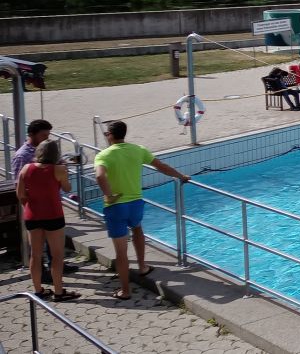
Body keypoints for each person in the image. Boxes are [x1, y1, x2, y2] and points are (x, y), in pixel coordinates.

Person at [94, 120, 191, 300]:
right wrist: (181, 176)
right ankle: (142, 266)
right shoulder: (138, 150)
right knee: (137, 229)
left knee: (121, 252)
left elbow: (100, 176)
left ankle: (125, 291)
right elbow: (161, 166)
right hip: (135, 203)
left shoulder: (104, 155)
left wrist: (108, 195)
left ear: (110, 135)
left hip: (116, 207)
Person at [12, 119, 78, 281]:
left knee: (53, 244)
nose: (47, 138)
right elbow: (18, 186)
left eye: (48, 135)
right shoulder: (22, 155)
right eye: (44, 135)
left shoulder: (47, 150)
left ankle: (55, 266)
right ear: (32, 135)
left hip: (52, 205)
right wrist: (29, 207)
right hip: (36, 209)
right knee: (36, 247)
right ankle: (43, 274)